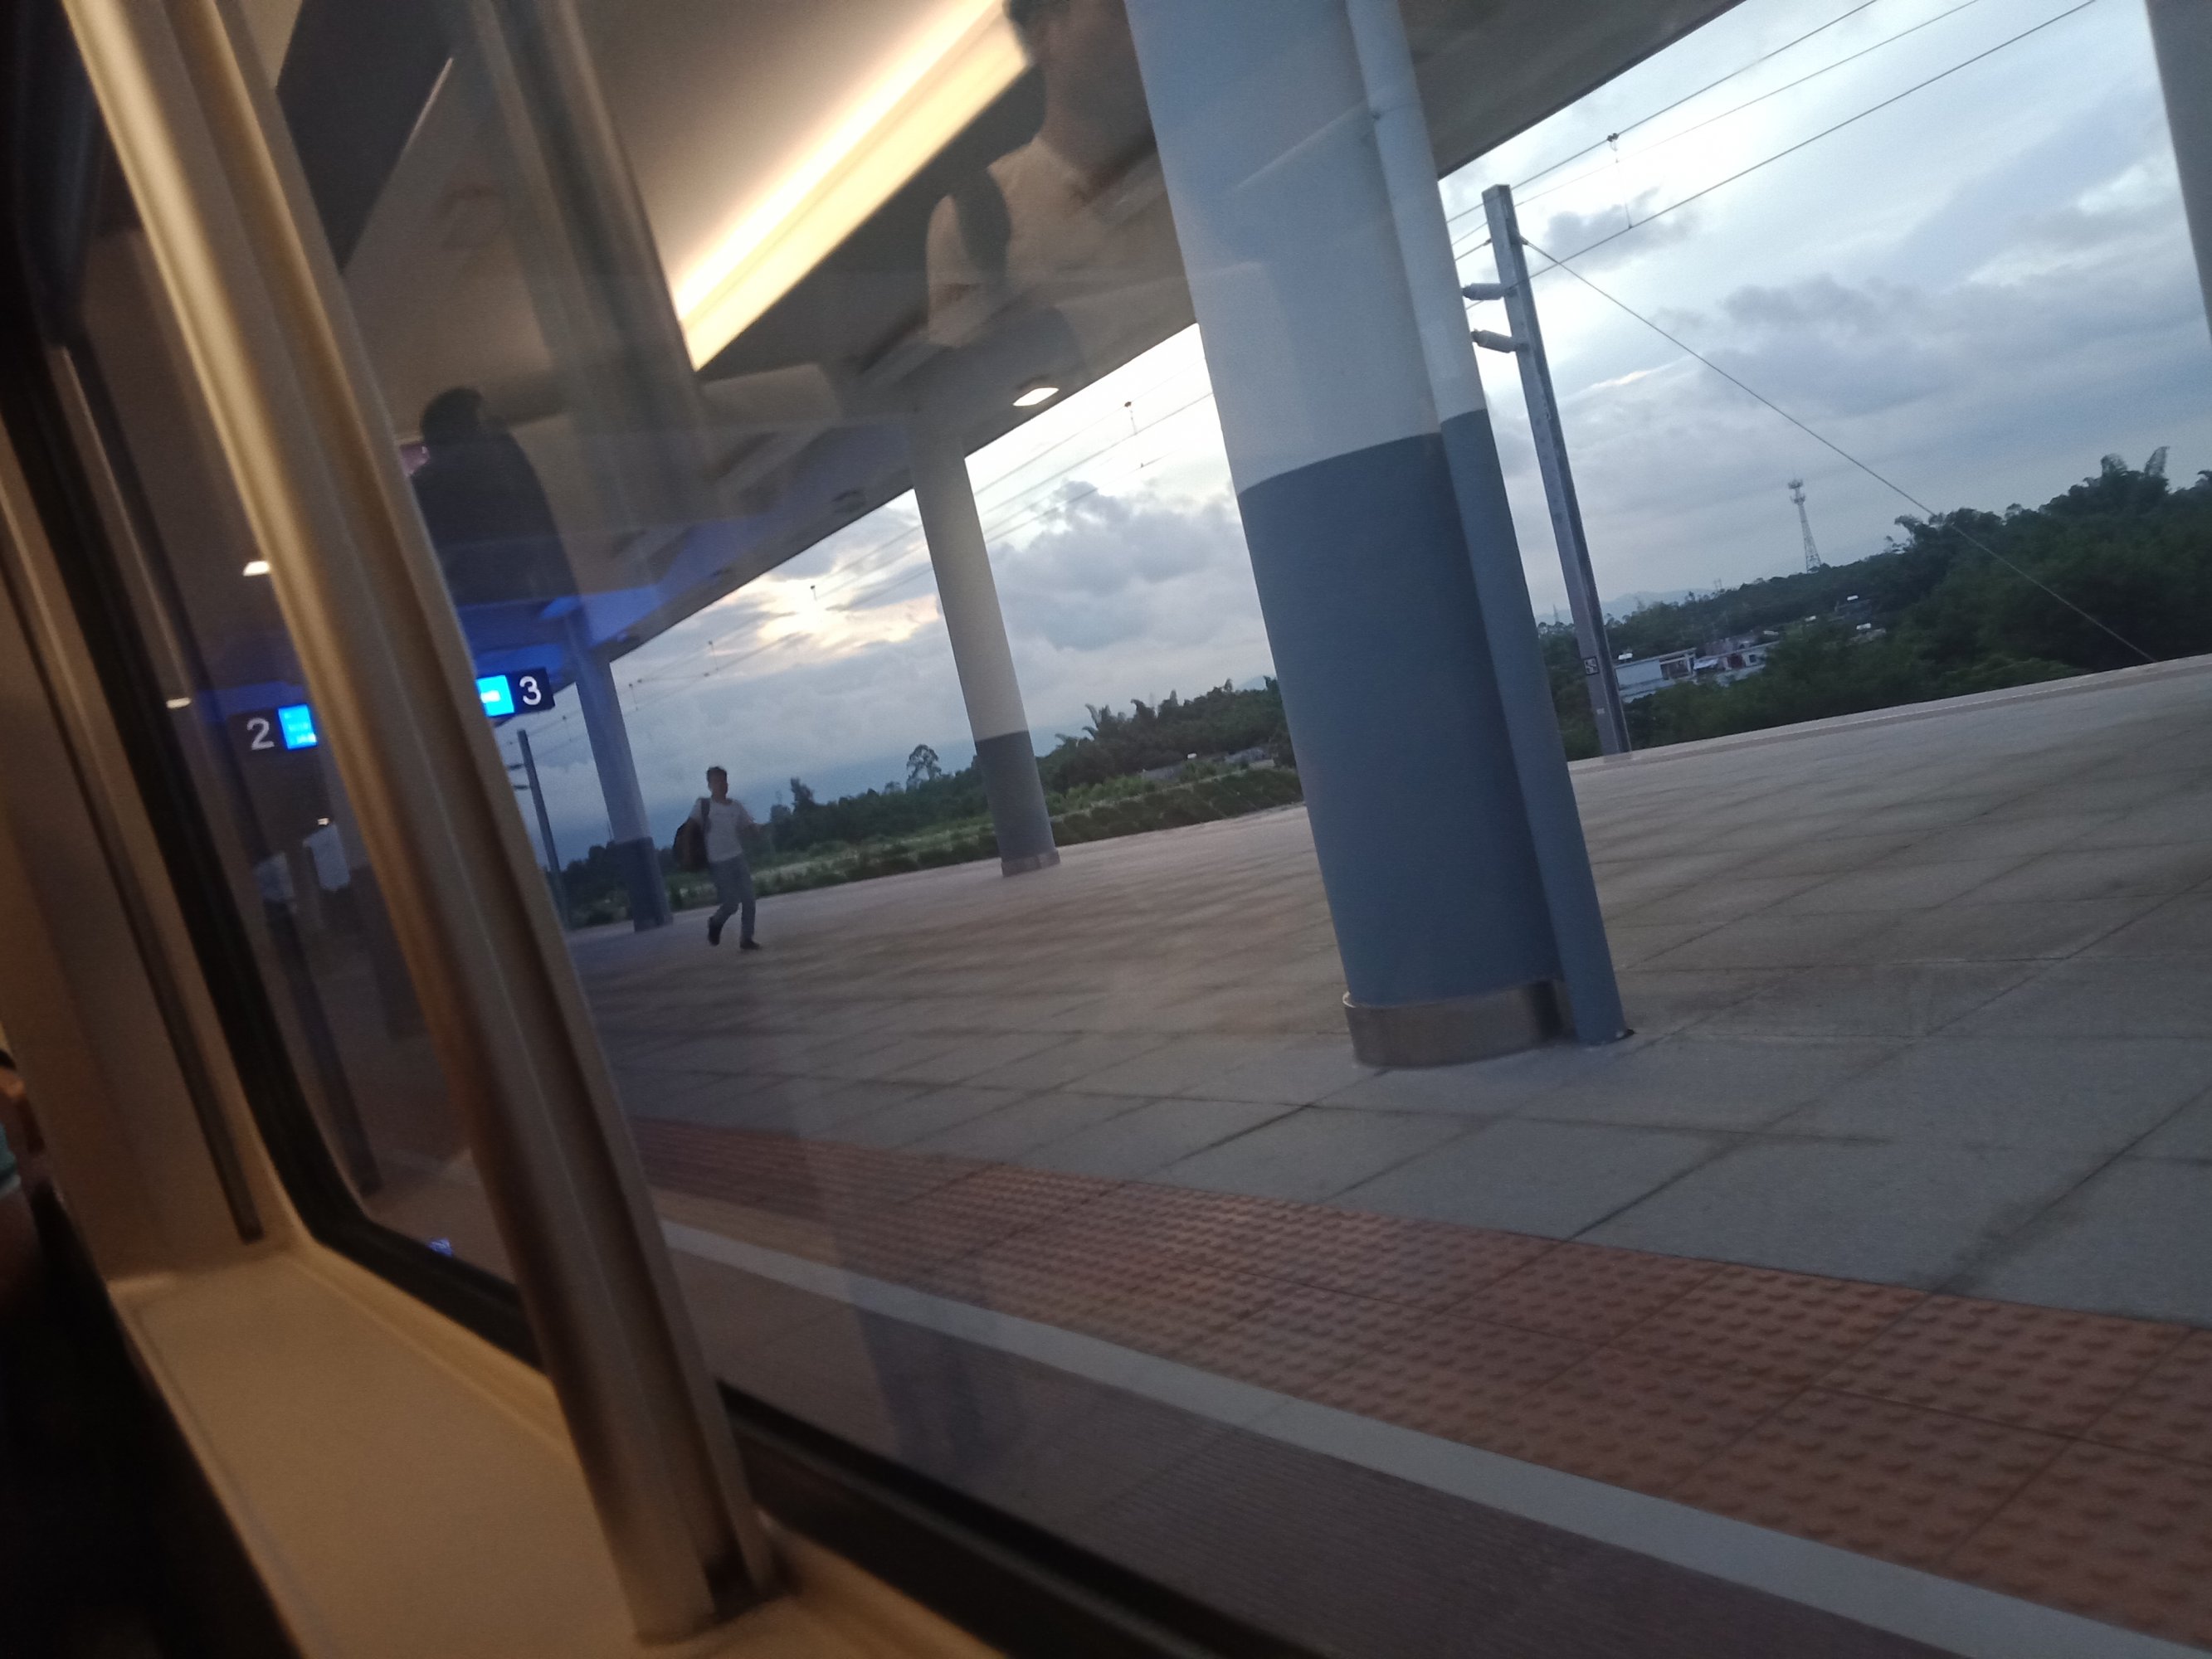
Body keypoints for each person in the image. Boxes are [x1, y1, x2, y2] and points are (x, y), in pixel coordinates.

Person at [924, 0, 1186, 360]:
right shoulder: (975, 218)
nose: (1145, 32)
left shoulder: (1192, 176)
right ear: (1043, 34)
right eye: (1118, 11)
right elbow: (969, 380)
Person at [409, 387, 577, 610]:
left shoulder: (505, 462)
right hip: (482, 593)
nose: (495, 429)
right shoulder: (433, 484)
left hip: (510, 586)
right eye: (484, 424)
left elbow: (534, 515)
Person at [688, 768, 759, 950]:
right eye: (717, 781)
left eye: (724, 781)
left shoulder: (736, 806)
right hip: (717, 862)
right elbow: (690, 828)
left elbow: (747, 826)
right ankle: (715, 922)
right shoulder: (704, 806)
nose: (721, 785)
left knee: (749, 900)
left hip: (737, 857)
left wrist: (756, 831)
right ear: (710, 785)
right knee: (731, 904)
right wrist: (689, 854)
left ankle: (746, 938)